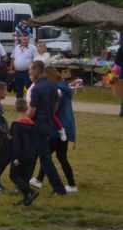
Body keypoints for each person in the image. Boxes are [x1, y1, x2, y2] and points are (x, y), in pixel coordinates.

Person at [32, 65, 76, 193]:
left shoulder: (58, 90)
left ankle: (71, 185)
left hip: (59, 128)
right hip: (62, 126)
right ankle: (39, 180)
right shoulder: (63, 87)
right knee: (49, 155)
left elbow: (54, 107)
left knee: (57, 156)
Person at [8, 98, 40, 205]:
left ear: (16, 108)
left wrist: (16, 157)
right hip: (32, 155)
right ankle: (27, 199)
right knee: (25, 177)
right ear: (26, 108)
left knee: (14, 175)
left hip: (21, 155)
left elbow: (15, 143)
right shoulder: (33, 124)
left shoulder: (16, 126)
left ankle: (31, 192)